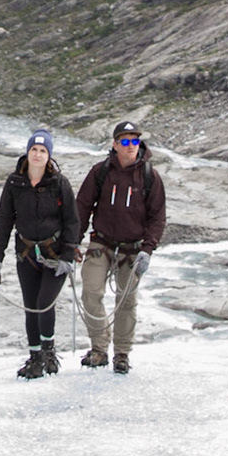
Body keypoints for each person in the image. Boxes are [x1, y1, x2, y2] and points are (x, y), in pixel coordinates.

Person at [74, 120, 167, 375]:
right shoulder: (100, 172)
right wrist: (73, 242)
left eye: (134, 141)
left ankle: (122, 353)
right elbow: (82, 207)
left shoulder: (149, 176)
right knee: (91, 293)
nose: (130, 146)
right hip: (101, 242)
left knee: (127, 302)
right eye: (124, 141)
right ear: (115, 145)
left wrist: (147, 250)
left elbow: (157, 217)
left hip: (133, 249)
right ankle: (99, 347)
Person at [0, 128, 78, 380]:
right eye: (34, 150)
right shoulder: (14, 183)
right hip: (26, 253)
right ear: (27, 152)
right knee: (31, 307)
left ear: (49, 155)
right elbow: (5, 220)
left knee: (43, 303)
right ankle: (35, 358)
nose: (38, 154)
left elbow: (72, 220)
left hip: (55, 254)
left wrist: (68, 256)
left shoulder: (59, 183)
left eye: (42, 151)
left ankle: (48, 352)